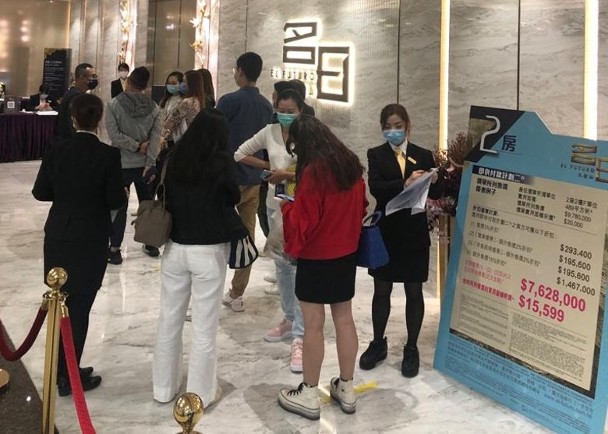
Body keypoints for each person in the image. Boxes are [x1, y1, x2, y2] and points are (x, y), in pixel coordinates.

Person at [32, 94, 127, 396]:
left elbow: (40, 192)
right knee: (80, 308)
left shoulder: (56, 150)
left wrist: (66, 196)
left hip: (59, 234)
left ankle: (61, 368)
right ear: (99, 121)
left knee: (59, 303)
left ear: (73, 119)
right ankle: (68, 374)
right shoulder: (108, 155)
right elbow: (115, 200)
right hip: (90, 238)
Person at [277, 116, 367, 420]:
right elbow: (362, 207)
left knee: (313, 325)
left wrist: (286, 206)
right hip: (345, 255)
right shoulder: (350, 166)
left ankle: (309, 393)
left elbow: (303, 222)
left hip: (316, 258)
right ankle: (347, 387)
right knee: (344, 319)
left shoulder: (314, 172)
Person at [153, 109, 240, 407]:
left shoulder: (174, 157)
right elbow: (233, 197)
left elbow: (159, 190)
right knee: (204, 326)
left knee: (169, 320)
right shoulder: (221, 162)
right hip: (209, 251)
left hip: (175, 248)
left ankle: (163, 388)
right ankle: (200, 393)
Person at [359, 103, 442, 378]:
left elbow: (437, 192)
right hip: (387, 233)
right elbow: (377, 188)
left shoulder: (423, 154)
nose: (393, 131)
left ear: (407, 126)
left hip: (414, 233)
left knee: (414, 291)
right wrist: (406, 183)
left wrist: (435, 178)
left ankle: (411, 347)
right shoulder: (376, 154)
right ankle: (377, 342)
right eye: (388, 127)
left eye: (398, 126)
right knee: (381, 290)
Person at [234, 89, 303, 372]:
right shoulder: (269, 131)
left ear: (300, 110)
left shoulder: (308, 133)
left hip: (302, 210)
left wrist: (286, 174)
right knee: (282, 268)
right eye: (281, 110)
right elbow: (239, 153)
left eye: (291, 111)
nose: (285, 115)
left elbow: (318, 168)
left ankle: (301, 335)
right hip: (276, 208)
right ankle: (289, 319)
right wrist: (268, 166)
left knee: (299, 270)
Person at [216, 52, 274, 312]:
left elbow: (215, 137)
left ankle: (212, 289)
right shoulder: (266, 106)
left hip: (226, 179)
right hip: (253, 180)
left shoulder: (228, 101)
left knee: (217, 235)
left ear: (240, 71)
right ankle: (237, 293)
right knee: (247, 237)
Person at [105, 66, 162, 264]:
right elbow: (155, 139)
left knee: (119, 206)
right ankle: (151, 243)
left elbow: (114, 136)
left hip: (121, 164)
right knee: (148, 205)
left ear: (128, 81)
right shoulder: (155, 108)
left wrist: (135, 146)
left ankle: (114, 249)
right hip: (145, 166)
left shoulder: (113, 105)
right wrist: (150, 162)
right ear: (145, 85)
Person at [159, 70, 205, 150]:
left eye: (184, 81)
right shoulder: (199, 101)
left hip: (182, 142)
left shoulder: (187, 102)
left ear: (191, 84)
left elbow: (169, 123)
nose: (182, 84)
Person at [56, 63, 98, 139]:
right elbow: (71, 123)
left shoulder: (75, 93)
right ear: (82, 78)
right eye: (92, 76)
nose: (94, 79)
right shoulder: (76, 97)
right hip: (71, 140)